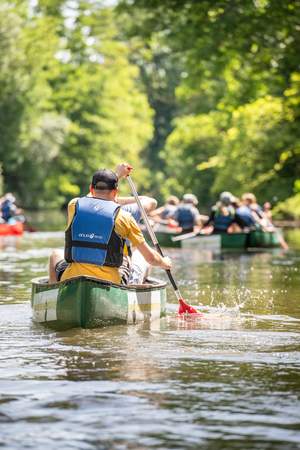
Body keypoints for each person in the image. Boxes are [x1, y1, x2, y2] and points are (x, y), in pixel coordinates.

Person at [48, 163, 172, 285]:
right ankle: (134, 286)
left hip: (72, 277)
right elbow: (151, 258)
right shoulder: (125, 217)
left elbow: (89, 197)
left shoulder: (73, 205)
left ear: (91, 188)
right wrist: (164, 262)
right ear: (116, 192)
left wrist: (118, 174)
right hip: (110, 282)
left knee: (55, 255)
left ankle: (53, 292)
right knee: (140, 257)